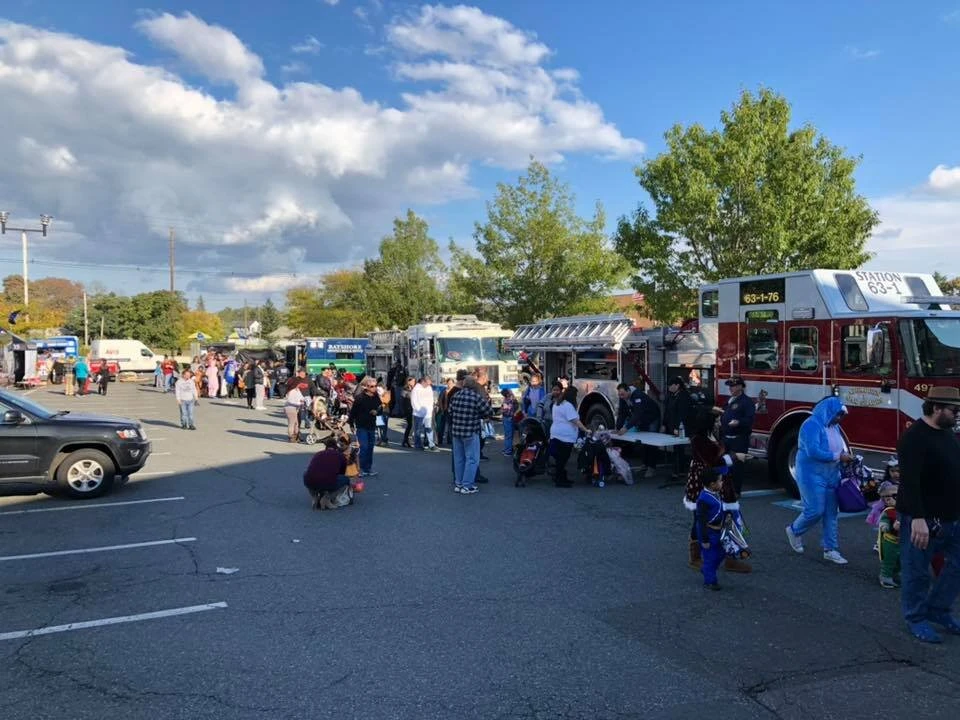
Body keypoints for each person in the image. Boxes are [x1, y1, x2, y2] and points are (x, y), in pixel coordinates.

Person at [896, 386, 960, 644]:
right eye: (954, 411)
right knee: (917, 571)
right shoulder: (914, 438)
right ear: (936, 409)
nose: (957, 415)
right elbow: (909, 483)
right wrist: (918, 519)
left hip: (952, 517)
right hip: (923, 519)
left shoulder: (947, 435)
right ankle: (916, 618)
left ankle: (938, 609)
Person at [683, 406, 751, 573]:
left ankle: (731, 557)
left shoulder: (713, 436)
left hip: (721, 481)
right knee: (701, 519)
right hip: (703, 483)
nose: (720, 423)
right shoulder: (698, 439)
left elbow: (719, 456)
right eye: (716, 420)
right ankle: (695, 557)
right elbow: (713, 461)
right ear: (708, 423)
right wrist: (736, 457)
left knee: (728, 518)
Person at [785, 396, 851, 565]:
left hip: (831, 473)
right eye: (837, 414)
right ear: (827, 411)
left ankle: (830, 549)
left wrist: (844, 459)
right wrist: (839, 456)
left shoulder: (834, 426)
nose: (839, 418)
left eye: (841, 415)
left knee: (831, 513)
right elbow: (813, 451)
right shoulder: (811, 425)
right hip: (810, 473)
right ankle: (794, 530)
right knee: (815, 510)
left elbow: (838, 447)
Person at [448, 375, 492, 495]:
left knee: (459, 459)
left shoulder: (456, 396)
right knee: (472, 459)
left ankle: (459, 483)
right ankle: (467, 485)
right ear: (474, 385)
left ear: (464, 384)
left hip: (456, 432)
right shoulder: (475, 397)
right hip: (470, 432)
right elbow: (489, 411)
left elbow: (450, 411)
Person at [717, 377, 755, 497]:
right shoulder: (730, 400)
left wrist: (738, 422)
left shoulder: (747, 402)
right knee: (724, 464)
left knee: (737, 466)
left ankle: (736, 491)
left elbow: (749, 419)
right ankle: (725, 488)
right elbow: (725, 413)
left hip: (739, 439)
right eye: (729, 386)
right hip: (726, 437)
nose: (730, 388)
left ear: (740, 387)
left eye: (732, 386)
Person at [615, 382, 660, 477]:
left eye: (622, 394)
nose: (621, 397)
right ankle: (645, 464)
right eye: (619, 395)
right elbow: (622, 413)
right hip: (642, 420)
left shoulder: (637, 395)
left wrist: (626, 427)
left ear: (628, 391)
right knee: (642, 441)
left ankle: (651, 467)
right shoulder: (623, 397)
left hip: (652, 418)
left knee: (651, 442)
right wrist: (618, 428)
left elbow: (637, 414)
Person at [549, 383, 589, 488]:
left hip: (555, 434)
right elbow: (575, 421)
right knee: (563, 459)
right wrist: (585, 430)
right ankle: (560, 481)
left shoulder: (556, 404)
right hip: (565, 436)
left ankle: (562, 478)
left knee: (560, 459)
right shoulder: (568, 406)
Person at [696, 467, 728, 590]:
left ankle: (706, 569)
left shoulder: (714, 493)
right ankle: (710, 581)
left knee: (721, 553)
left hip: (717, 530)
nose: (722, 482)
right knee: (710, 557)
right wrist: (704, 540)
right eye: (720, 481)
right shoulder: (704, 499)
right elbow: (701, 520)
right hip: (708, 533)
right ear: (712, 484)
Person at [303, 436, 351, 510]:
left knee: (307, 475)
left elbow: (311, 468)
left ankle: (315, 497)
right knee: (346, 480)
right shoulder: (341, 456)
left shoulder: (318, 454)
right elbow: (341, 473)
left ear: (326, 447)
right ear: (336, 447)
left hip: (310, 481)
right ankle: (327, 498)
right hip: (328, 481)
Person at [348, 377, 382, 478]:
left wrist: (377, 412)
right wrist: (351, 424)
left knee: (370, 447)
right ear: (366, 387)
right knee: (363, 447)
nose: (374, 388)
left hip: (372, 425)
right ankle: (360, 469)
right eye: (372, 386)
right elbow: (353, 412)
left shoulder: (376, 396)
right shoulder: (360, 398)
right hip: (361, 425)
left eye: (375, 386)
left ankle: (368, 468)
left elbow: (380, 407)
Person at [662, 376, 692, 477]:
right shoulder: (671, 395)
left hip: (680, 426)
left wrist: (677, 427)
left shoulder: (683, 396)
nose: (669, 387)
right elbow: (667, 411)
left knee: (679, 448)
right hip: (672, 424)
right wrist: (664, 424)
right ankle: (678, 469)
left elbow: (682, 414)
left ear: (677, 385)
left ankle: (679, 470)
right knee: (676, 448)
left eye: (671, 385)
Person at [875, 481, 901, 589]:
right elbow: (883, 522)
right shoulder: (888, 511)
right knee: (889, 560)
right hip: (890, 540)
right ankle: (885, 576)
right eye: (887, 498)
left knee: (900, 560)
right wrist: (887, 527)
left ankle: (895, 574)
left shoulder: (902, 510)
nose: (890, 499)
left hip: (902, 540)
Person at [410, 376, 438, 451]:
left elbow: (431, 399)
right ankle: (418, 445)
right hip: (418, 414)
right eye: (427, 383)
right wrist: (419, 411)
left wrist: (430, 409)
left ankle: (431, 444)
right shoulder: (416, 389)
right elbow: (414, 402)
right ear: (423, 382)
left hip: (428, 413)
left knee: (429, 429)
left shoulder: (429, 388)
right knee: (418, 430)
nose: (428, 385)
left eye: (429, 384)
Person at [284, 378, 308, 443]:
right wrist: (299, 403)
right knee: (292, 423)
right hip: (290, 408)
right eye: (299, 383)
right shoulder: (291, 391)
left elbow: (301, 397)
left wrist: (304, 400)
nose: (300, 384)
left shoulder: (297, 390)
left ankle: (296, 436)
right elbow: (290, 401)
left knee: (296, 423)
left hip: (295, 408)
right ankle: (291, 437)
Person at [435, 378, 455, 446]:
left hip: (451, 412)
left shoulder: (455, 391)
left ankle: (450, 440)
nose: (449, 385)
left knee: (450, 427)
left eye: (451, 383)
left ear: (453, 383)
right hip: (443, 410)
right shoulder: (444, 391)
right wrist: (441, 409)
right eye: (448, 383)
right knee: (441, 426)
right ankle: (439, 440)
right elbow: (440, 400)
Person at [501, 388, 517, 457]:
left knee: (507, 435)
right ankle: (508, 451)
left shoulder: (506, 400)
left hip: (506, 418)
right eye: (510, 391)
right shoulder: (509, 400)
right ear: (507, 394)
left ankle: (506, 449)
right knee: (509, 435)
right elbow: (515, 404)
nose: (511, 391)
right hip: (509, 418)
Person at [399, 377, 415, 448]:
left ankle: (406, 440)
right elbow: (401, 401)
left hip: (413, 409)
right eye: (412, 381)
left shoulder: (414, 389)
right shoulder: (405, 390)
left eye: (414, 381)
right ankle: (406, 440)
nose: (414, 382)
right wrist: (403, 411)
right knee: (410, 425)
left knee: (410, 425)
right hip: (408, 409)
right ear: (408, 382)